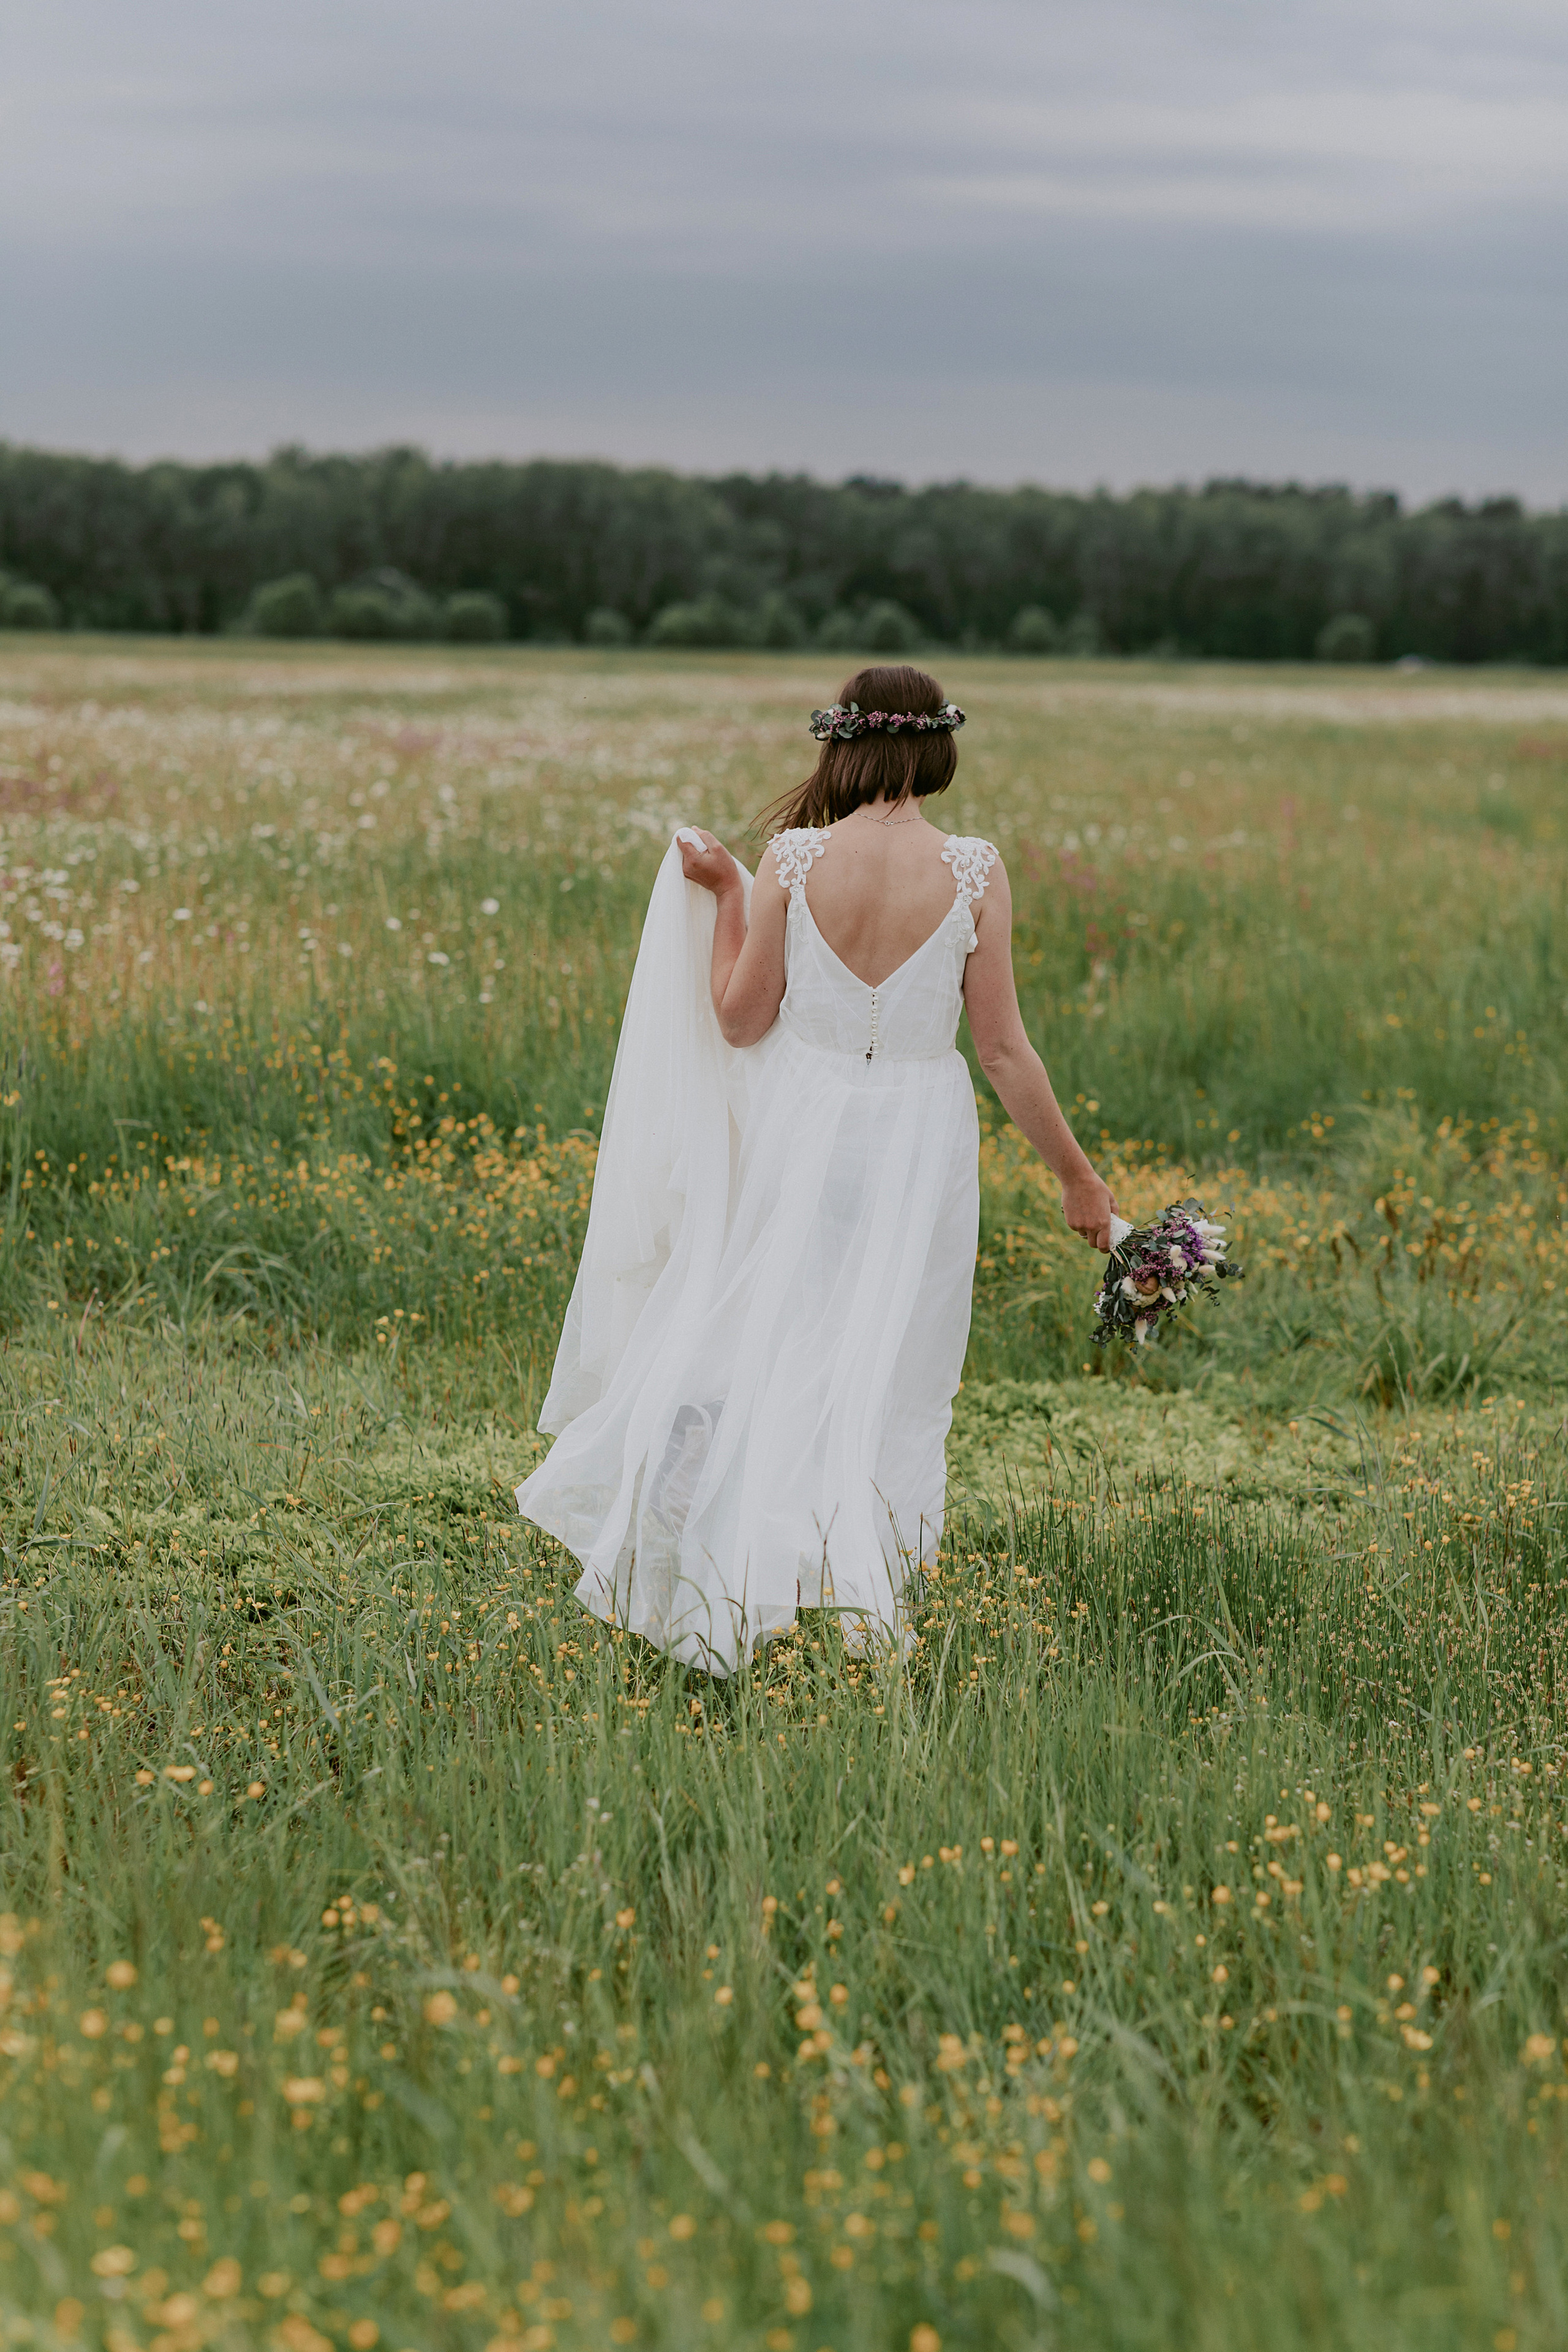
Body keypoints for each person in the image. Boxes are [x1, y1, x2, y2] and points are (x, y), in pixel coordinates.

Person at [515, 665, 1117, 1672]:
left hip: (805, 1120)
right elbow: (1005, 1050)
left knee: (768, 1330)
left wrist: (726, 906)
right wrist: (1076, 1177)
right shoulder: (976, 867)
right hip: (919, 1136)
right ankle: (844, 1573)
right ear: (938, 749)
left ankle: (728, 1550)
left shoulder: (792, 859)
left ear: (841, 744)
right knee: (890, 1355)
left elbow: (742, 1020)